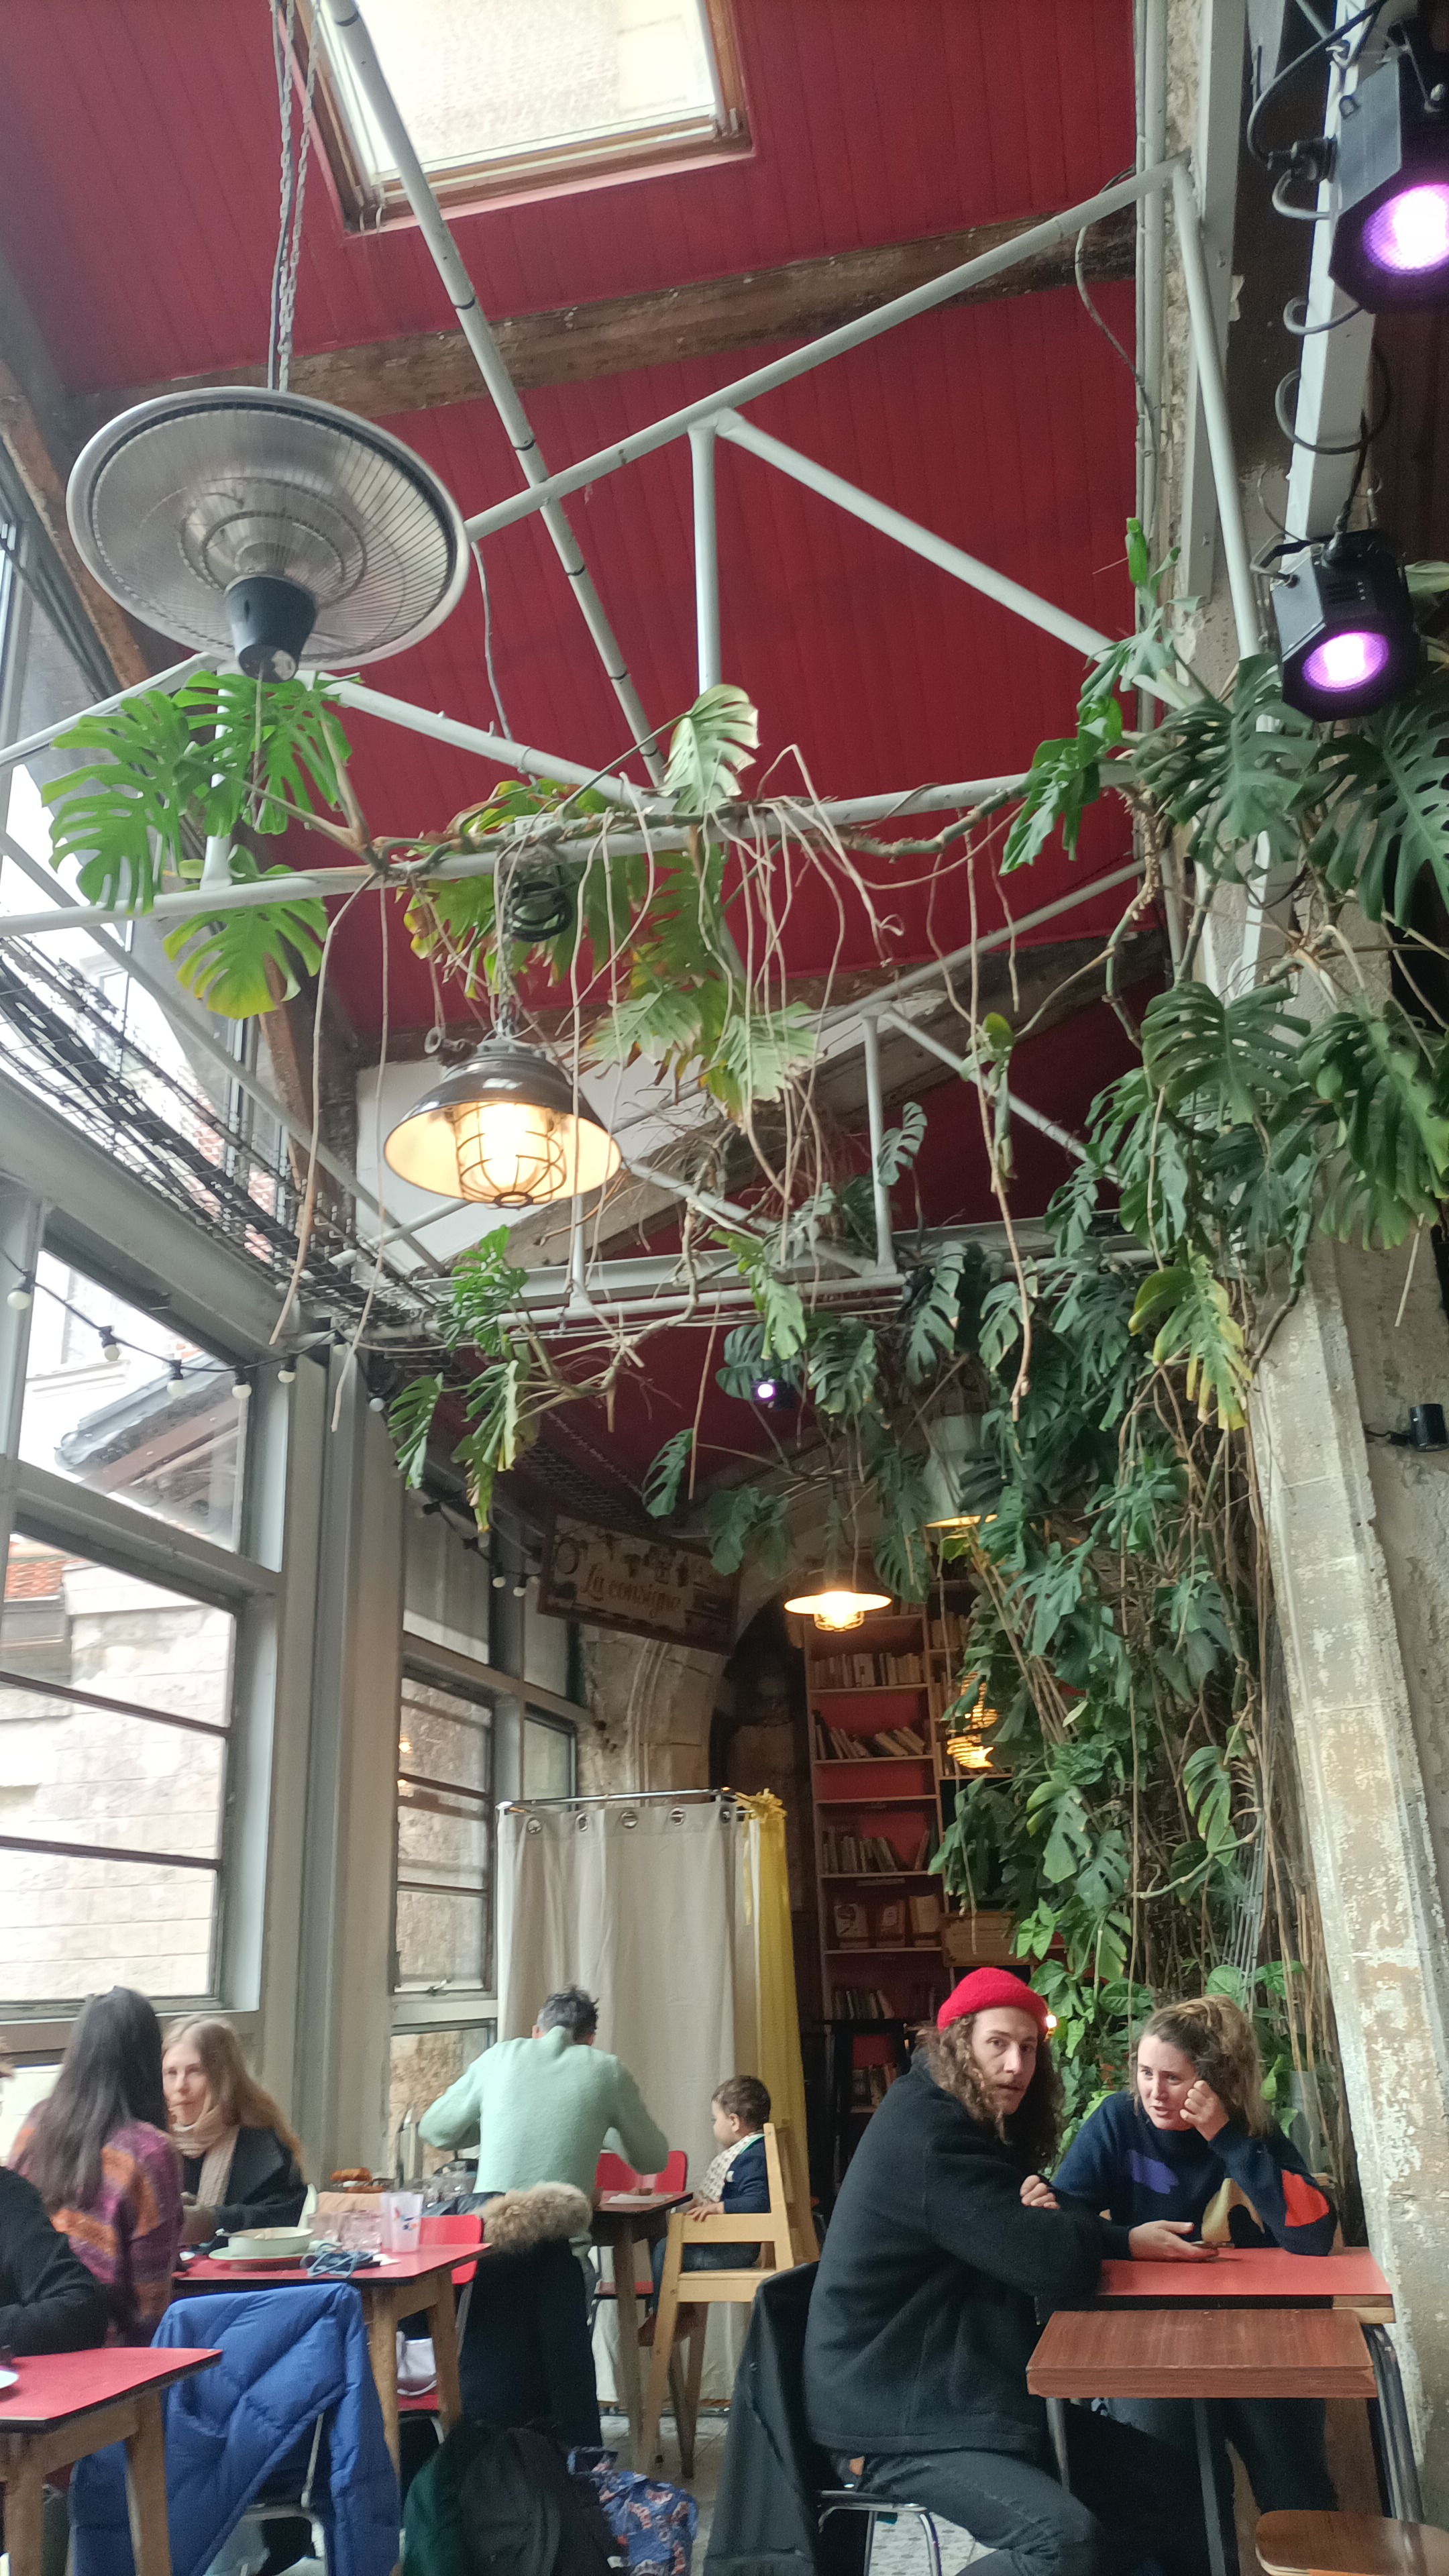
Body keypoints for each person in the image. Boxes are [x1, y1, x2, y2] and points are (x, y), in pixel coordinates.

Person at [803, 1966, 1212, 2576]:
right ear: (957, 2042)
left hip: (953, 2387)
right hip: (895, 2417)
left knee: (1166, 2483)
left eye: (1028, 2048)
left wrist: (1120, 2237)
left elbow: (1045, 2216)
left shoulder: (956, 2116)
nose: (1016, 2065)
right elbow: (1053, 2264)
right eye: (997, 2043)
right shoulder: (931, 2135)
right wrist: (1059, 2225)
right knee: (1064, 2545)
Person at [1049, 1994, 1337, 2553]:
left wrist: (1225, 2137)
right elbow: (1062, 2222)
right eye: (1145, 2073)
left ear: (1214, 2082)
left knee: (1298, 2494)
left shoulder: (1249, 2131)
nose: (1154, 2092)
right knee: (1176, 2499)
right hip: (1154, 2339)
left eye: (1173, 2078)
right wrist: (1128, 2242)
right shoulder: (1119, 2120)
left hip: (1260, 2339)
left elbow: (1312, 2236)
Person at [11, 1987, 182, 2344]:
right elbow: (150, 2307)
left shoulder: (36, 2123)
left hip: (25, 2340)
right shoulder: (150, 2152)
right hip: (104, 2349)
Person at [418, 1986, 669, 2217]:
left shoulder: (498, 2057)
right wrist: (599, 2128)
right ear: (590, 2040)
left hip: (487, 2240)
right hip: (560, 2243)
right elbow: (653, 2160)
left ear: (536, 2032)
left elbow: (435, 2130)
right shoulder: (607, 2071)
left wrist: (495, 2124)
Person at [162, 2016, 306, 2245]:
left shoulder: (263, 2146)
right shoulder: (152, 2147)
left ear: (224, 2078)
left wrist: (212, 2221)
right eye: (171, 2073)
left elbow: (287, 2218)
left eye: (195, 2071)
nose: (180, 2086)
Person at [650, 2074, 771, 2303]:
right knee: (672, 2246)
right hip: (737, 2246)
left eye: (715, 2120)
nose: (714, 2126)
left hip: (736, 2251)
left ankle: (661, 2315)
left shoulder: (752, 2157)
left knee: (666, 2250)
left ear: (734, 2122)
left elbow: (758, 2202)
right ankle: (682, 2314)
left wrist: (719, 2208)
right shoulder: (756, 2150)